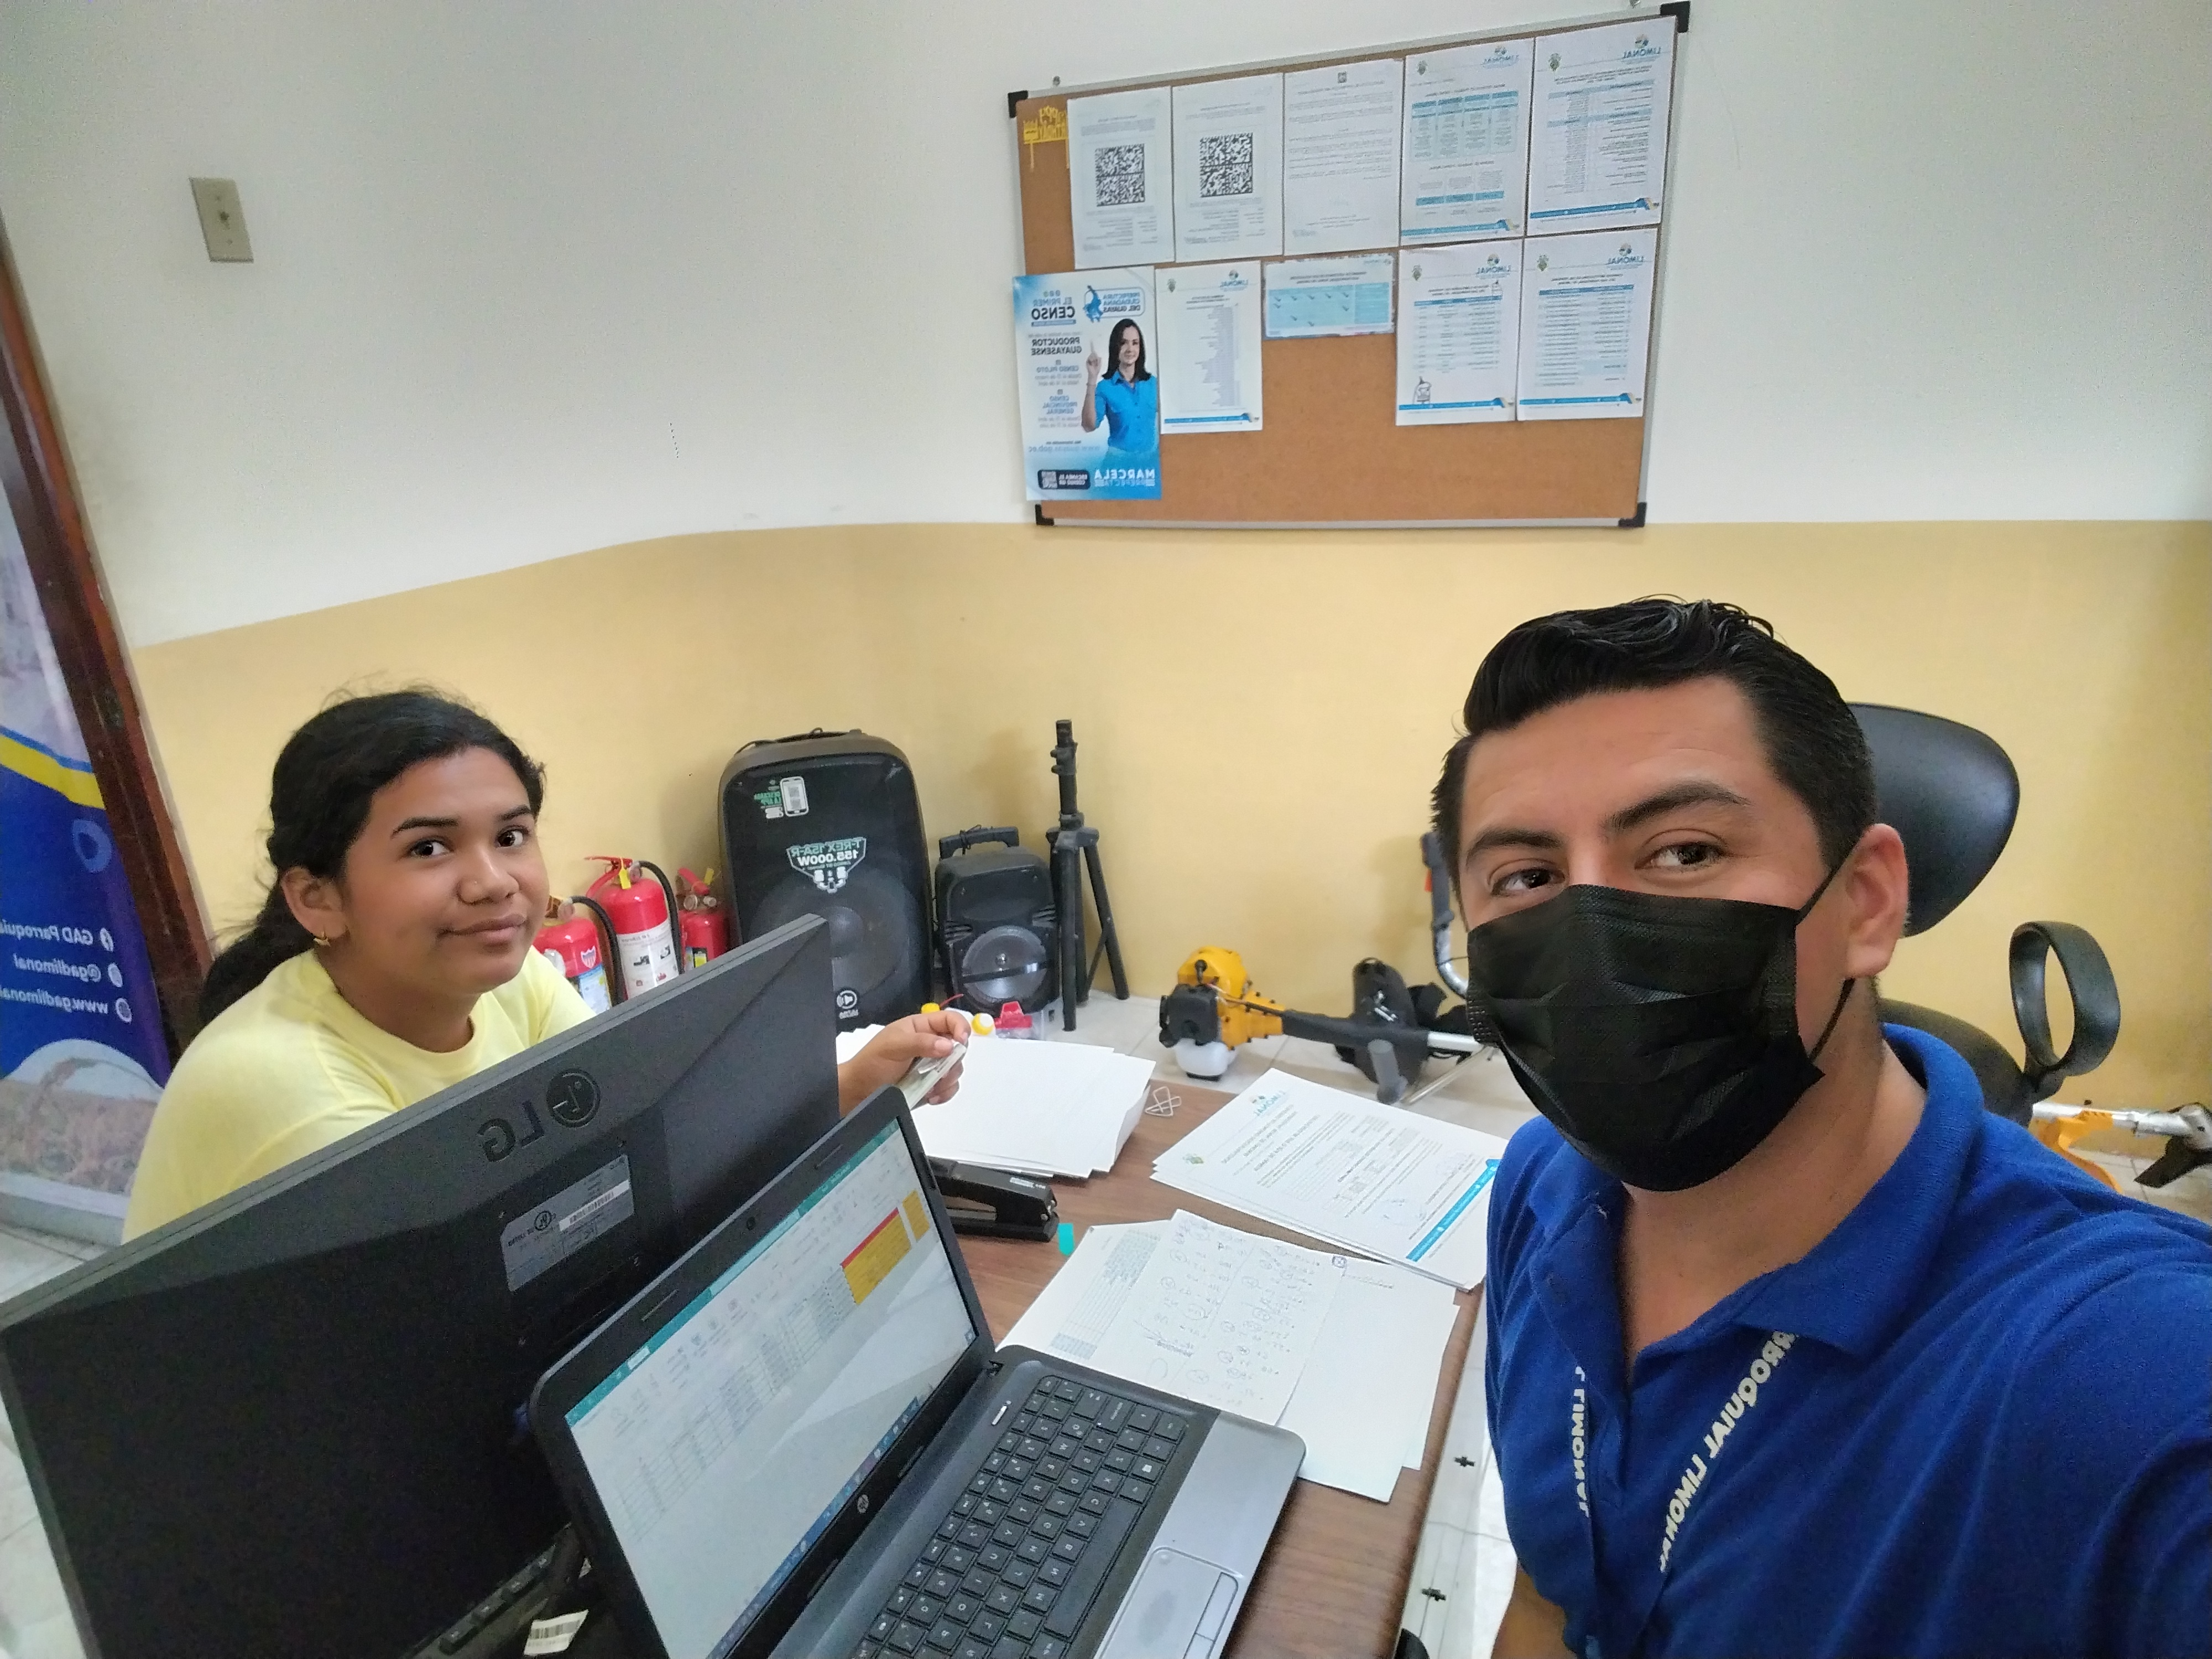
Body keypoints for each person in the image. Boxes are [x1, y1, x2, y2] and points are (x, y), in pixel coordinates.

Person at [1430, 601, 2209, 1659]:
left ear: (1868, 903)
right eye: (1526, 878)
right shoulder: (1540, 1185)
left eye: (1685, 851)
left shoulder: (2117, 1371)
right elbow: (1552, 1600)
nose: (1595, 940)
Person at [123, 691, 966, 1239]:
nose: (493, 882)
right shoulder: (284, 1088)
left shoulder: (509, 979)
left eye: (511, 835)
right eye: (428, 848)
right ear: (317, 899)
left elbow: (644, 1151)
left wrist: (851, 1087)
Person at [1081, 317, 1157, 473]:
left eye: (1135, 343)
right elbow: (1089, 426)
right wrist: (1092, 378)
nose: (1130, 349)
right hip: (1118, 467)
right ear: (1115, 347)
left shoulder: (1153, 384)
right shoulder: (1105, 388)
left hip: (1150, 466)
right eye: (1124, 343)